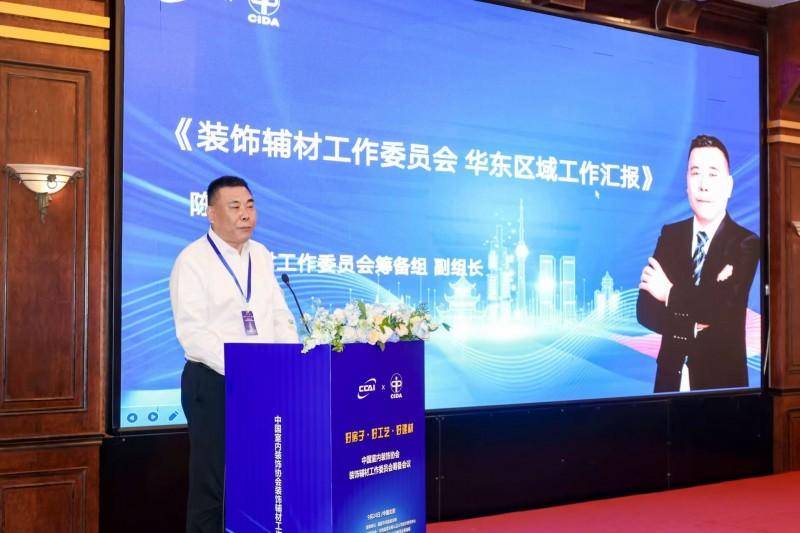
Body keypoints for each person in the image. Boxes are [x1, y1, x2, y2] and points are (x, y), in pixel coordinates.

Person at [169, 176, 299, 533]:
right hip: (214, 383)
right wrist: (244, 369)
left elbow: (278, 313)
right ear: (211, 213)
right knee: (214, 485)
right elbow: (192, 333)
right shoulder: (192, 260)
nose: (246, 214)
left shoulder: (261, 254)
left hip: (265, 380)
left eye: (250, 205)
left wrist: (288, 361)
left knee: (259, 476)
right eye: (235, 207)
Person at [637, 135, 759, 393]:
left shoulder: (745, 242)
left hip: (721, 385)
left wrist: (669, 293)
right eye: (695, 173)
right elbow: (645, 309)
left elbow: (720, 308)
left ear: (729, 186)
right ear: (686, 183)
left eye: (712, 174)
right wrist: (692, 326)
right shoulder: (670, 236)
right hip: (669, 379)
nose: (703, 185)